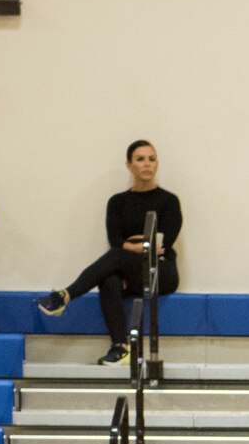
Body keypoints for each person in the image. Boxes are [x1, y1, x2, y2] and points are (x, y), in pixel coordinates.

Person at [34, 140, 182, 365]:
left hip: (162, 271)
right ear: (129, 165)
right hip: (133, 274)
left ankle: (65, 295)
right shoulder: (117, 202)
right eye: (140, 159)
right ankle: (120, 347)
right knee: (109, 279)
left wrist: (129, 244)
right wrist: (138, 243)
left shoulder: (169, 201)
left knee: (118, 257)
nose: (147, 165)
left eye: (152, 159)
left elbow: (161, 243)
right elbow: (115, 240)